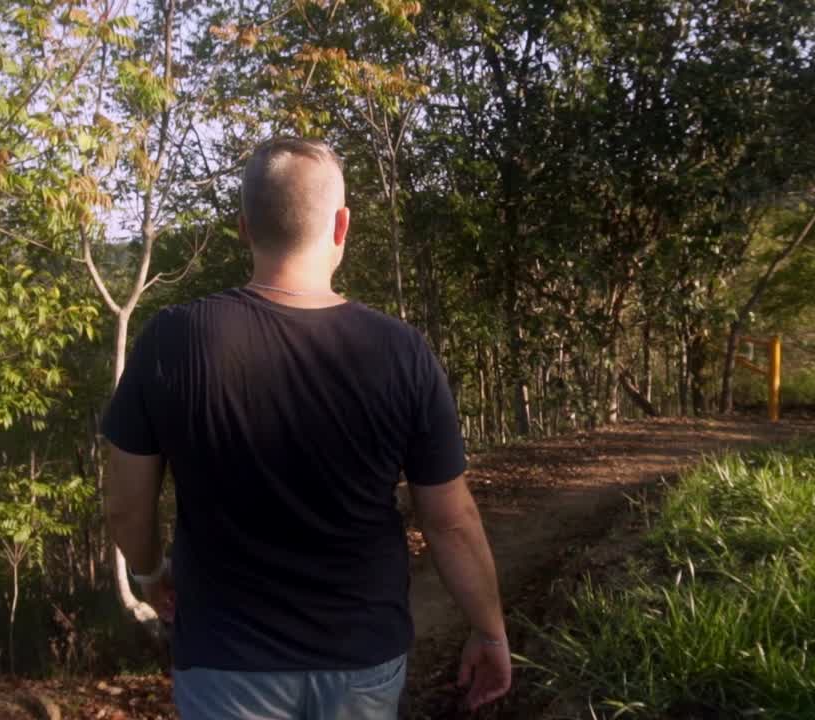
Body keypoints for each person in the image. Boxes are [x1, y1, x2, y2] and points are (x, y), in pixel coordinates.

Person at [102, 137, 510, 719]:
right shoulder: (401, 352)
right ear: (342, 225)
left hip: (225, 661)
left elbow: (124, 505)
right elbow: (450, 520)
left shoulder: (173, 340)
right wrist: (489, 631)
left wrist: (149, 573)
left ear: (244, 228)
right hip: (361, 658)